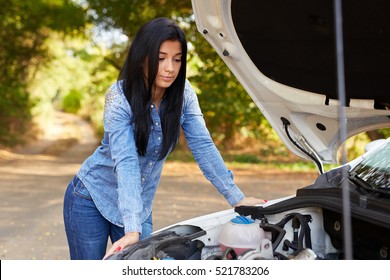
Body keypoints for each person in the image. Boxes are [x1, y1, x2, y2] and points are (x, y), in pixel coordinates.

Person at [63, 17, 266, 260]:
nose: (170, 67)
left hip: (139, 205)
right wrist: (132, 229)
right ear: (142, 57)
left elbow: (203, 145)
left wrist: (237, 198)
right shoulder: (119, 97)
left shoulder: (184, 94)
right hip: (91, 197)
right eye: (161, 59)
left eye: (177, 59)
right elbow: (126, 162)